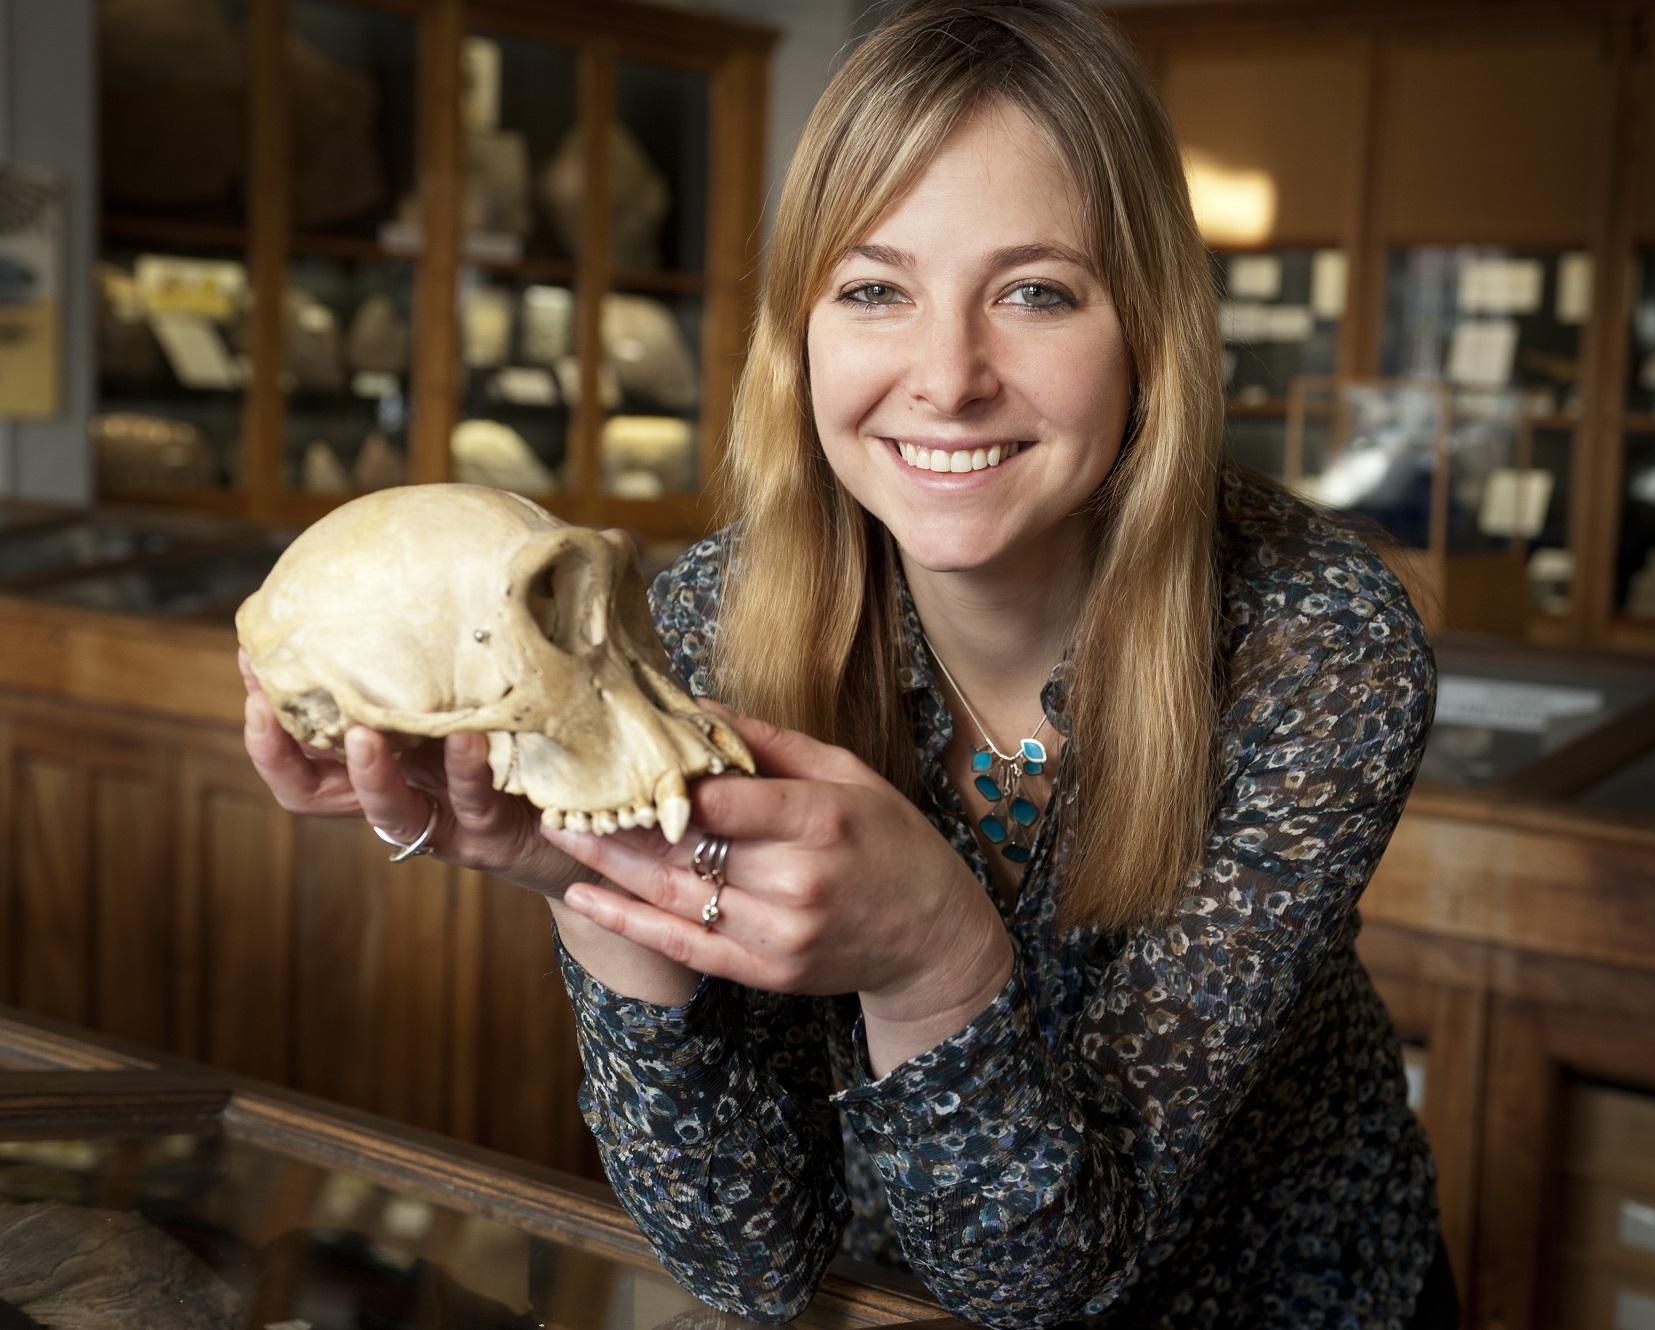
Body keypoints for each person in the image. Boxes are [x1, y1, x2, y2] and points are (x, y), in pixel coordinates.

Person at [241, 1, 1455, 1325]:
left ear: (1149, 333)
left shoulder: (1318, 641)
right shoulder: (708, 615)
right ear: (801, 333)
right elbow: (744, 1255)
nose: (946, 377)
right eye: (875, 289)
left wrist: (934, 958)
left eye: (1035, 292)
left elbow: (1047, 1266)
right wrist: (598, 879)